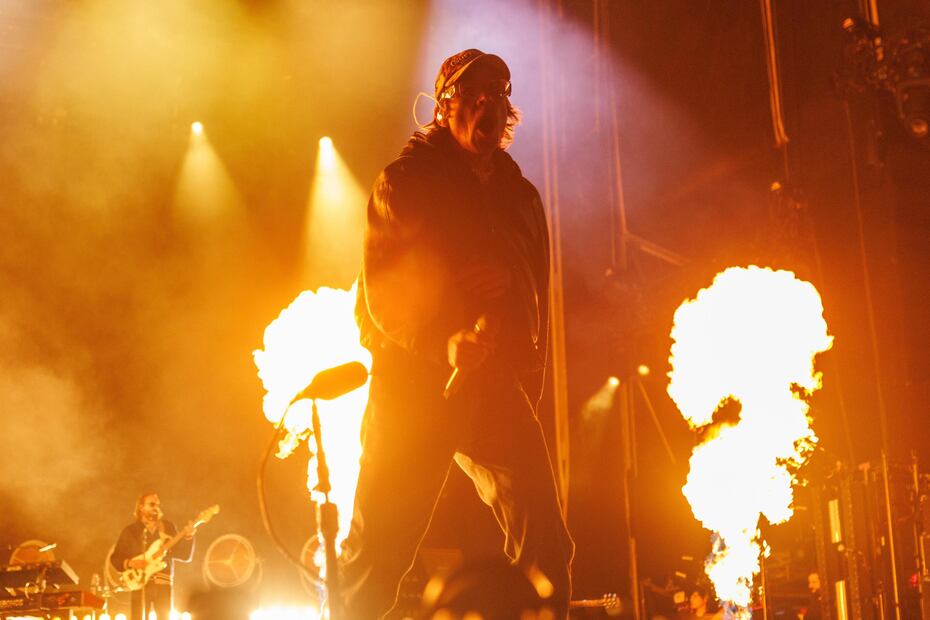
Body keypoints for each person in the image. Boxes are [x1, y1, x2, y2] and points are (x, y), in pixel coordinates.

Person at [340, 49, 574, 618]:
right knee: (379, 551)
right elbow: (388, 288)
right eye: (474, 94)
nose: (488, 103)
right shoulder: (405, 183)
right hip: (414, 385)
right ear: (445, 107)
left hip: (491, 382)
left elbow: (535, 287)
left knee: (546, 538)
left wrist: (506, 276)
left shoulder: (519, 197)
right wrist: (444, 335)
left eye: (499, 93)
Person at [111, 492, 195, 620]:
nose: (156, 507)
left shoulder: (168, 527)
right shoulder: (131, 531)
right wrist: (130, 563)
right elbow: (115, 558)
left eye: (157, 504)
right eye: (151, 504)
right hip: (139, 585)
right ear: (141, 507)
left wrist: (189, 536)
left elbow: (184, 555)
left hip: (163, 585)